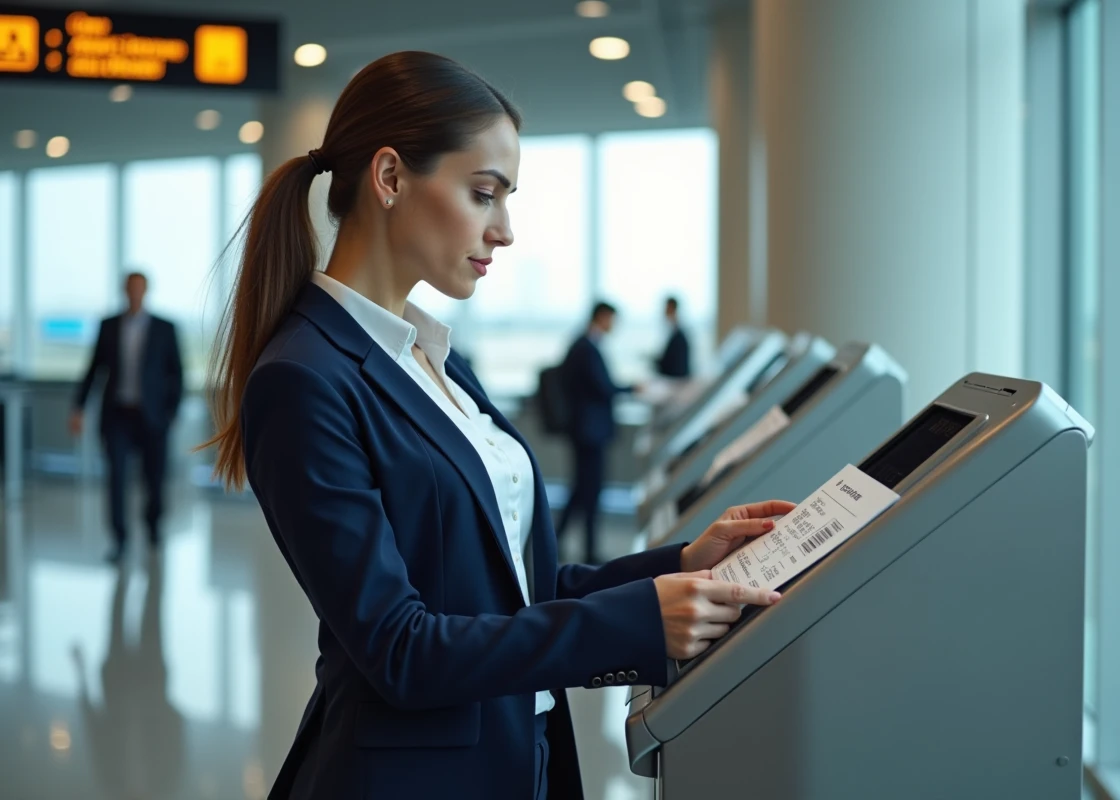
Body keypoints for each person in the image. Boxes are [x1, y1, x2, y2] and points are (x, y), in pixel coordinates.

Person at [202, 51, 791, 800]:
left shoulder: (432, 355)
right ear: (389, 178)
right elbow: (400, 647)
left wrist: (677, 566)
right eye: (485, 194)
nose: (504, 230)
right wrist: (636, 623)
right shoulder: (303, 377)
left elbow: (510, 586)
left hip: (521, 753)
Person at [71, 272, 183, 563]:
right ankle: (119, 540)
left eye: (139, 288)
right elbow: (94, 369)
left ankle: (153, 528)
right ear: (124, 290)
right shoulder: (108, 326)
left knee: (154, 480)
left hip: (153, 418)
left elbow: (177, 374)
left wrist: (170, 413)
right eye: (130, 288)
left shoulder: (165, 328)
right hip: (118, 416)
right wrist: (79, 407)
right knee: (116, 479)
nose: (134, 293)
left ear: (146, 291)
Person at [557, 301, 631, 565]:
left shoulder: (581, 344)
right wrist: (633, 388)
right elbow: (603, 387)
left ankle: (558, 539)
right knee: (589, 491)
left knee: (581, 489)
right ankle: (587, 549)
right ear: (602, 317)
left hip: (584, 430)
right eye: (612, 320)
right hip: (589, 432)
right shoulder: (586, 347)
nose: (613, 326)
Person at [655, 295, 691, 378]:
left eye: (667, 309)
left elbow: (676, 364)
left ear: (672, 309)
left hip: (676, 380)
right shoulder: (672, 331)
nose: (664, 312)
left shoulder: (679, 334)